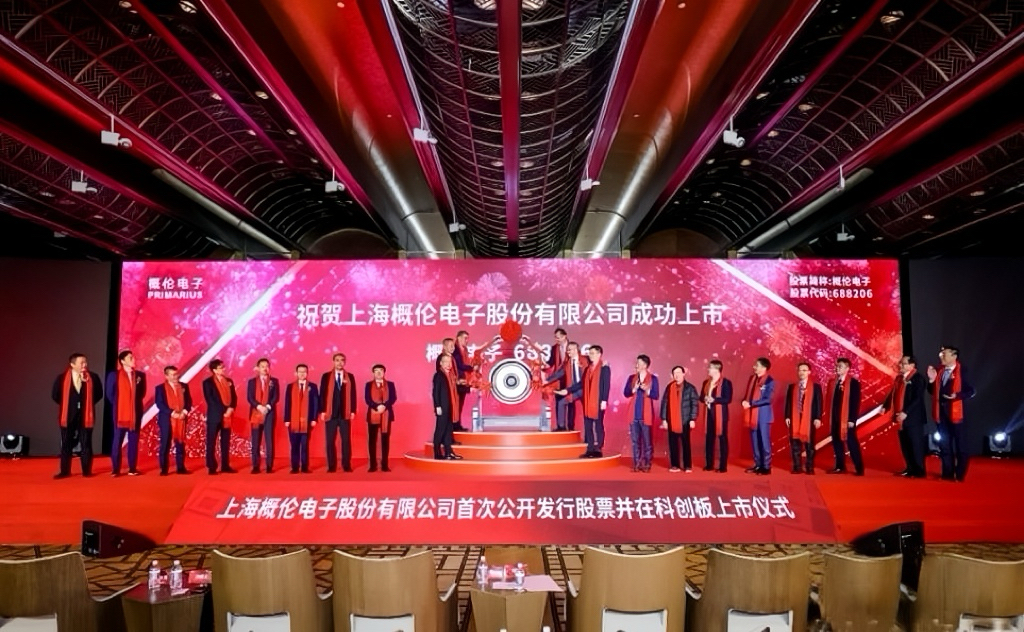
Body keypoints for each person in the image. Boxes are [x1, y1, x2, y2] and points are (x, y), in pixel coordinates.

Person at [927, 346, 975, 482]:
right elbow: (932, 391)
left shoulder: (963, 371)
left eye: (944, 354)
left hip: (958, 415)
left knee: (961, 446)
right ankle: (947, 474)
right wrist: (931, 380)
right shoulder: (939, 371)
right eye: (941, 354)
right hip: (941, 414)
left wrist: (957, 396)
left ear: (954, 356)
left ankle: (959, 475)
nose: (941, 356)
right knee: (945, 446)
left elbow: (971, 390)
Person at [51, 353, 102, 478]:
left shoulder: (93, 377)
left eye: (85, 362)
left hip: (85, 415)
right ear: (72, 364)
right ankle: (64, 471)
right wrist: (69, 405)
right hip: (68, 415)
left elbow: (98, 394)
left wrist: (87, 404)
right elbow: (55, 395)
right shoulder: (62, 378)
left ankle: (86, 471)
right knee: (66, 444)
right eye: (81, 363)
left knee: (86, 443)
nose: (85, 365)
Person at [882, 355, 927, 478]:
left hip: (913, 418)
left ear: (912, 365)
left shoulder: (918, 378)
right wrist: (885, 406)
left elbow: (917, 398)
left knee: (915, 445)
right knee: (905, 444)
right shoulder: (899, 378)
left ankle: (919, 471)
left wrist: (906, 412)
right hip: (900, 416)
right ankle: (910, 468)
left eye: (903, 363)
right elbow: (893, 393)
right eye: (900, 363)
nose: (900, 365)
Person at [563, 345, 611, 458]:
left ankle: (598, 449)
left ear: (599, 354)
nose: (590, 355)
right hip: (588, 401)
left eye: (593, 353)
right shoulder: (587, 369)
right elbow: (581, 384)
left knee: (598, 425)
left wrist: (604, 400)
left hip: (598, 401)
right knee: (587, 425)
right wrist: (568, 390)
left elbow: (606, 385)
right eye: (589, 353)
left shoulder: (604, 368)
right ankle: (590, 449)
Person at [105, 350, 147, 476]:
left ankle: (132, 468)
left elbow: (142, 393)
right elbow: (110, 394)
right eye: (130, 358)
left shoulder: (140, 375)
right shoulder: (114, 375)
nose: (133, 359)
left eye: (133, 357)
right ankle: (115, 469)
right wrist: (121, 404)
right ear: (122, 361)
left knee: (133, 441)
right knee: (117, 440)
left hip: (135, 413)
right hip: (120, 413)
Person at [318, 353, 357, 473]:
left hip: (345, 413)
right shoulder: (326, 376)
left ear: (344, 362)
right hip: (330, 413)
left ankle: (346, 465)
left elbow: (353, 394)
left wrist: (353, 410)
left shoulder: (350, 377)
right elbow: (322, 394)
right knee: (330, 441)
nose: (340, 362)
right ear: (333, 362)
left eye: (342, 360)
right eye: (337, 360)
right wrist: (322, 411)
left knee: (346, 441)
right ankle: (331, 466)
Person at [826, 358, 864, 476]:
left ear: (847, 368)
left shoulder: (853, 383)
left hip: (847, 419)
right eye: (837, 366)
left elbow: (855, 402)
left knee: (851, 442)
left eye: (840, 366)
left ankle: (859, 467)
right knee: (836, 442)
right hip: (835, 417)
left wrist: (852, 419)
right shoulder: (833, 382)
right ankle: (840, 466)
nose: (837, 368)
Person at [784, 362, 823, 474]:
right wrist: (787, 416)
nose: (801, 372)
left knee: (809, 444)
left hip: (809, 418)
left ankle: (809, 467)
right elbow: (788, 403)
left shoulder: (815, 387)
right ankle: (797, 467)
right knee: (795, 443)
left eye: (804, 370)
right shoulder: (792, 387)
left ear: (809, 372)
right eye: (800, 370)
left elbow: (819, 403)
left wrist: (818, 418)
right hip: (795, 417)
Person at [154, 365, 192, 475]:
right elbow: (160, 404)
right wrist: (172, 413)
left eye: (176, 374)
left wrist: (184, 412)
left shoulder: (184, 386)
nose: (175, 377)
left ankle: (181, 467)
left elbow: (188, 401)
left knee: (180, 443)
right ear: (166, 376)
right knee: (165, 443)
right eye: (172, 375)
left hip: (181, 418)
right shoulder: (160, 388)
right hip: (167, 419)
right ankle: (164, 469)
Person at [624, 355, 659, 472]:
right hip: (634, 414)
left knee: (647, 441)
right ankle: (636, 463)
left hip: (646, 415)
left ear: (644, 365)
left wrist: (647, 390)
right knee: (635, 441)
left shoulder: (653, 379)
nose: (636, 365)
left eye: (638, 363)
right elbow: (626, 393)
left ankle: (647, 463)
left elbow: (656, 395)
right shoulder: (632, 378)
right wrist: (634, 389)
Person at [201, 358, 237, 475]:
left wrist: (231, 408)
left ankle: (225, 465)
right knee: (211, 442)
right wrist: (224, 411)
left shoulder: (229, 381)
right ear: (214, 370)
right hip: (215, 416)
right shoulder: (207, 383)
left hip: (227, 415)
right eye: (221, 368)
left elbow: (234, 397)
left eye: (223, 367)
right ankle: (211, 466)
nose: (223, 369)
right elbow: (210, 400)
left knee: (225, 441)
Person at [660, 365, 698, 472]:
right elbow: (664, 403)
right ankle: (674, 465)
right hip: (672, 419)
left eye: (679, 373)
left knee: (686, 444)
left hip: (685, 419)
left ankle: (687, 466)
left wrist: (693, 419)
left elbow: (694, 404)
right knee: (673, 444)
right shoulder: (669, 387)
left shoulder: (690, 388)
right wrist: (664, 419)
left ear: (683, 374)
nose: (677, 375)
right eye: (674, 373)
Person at [741, 357, 775, 475]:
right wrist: (744, 401)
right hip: (752, 414)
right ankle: (757, 464)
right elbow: (748, 394)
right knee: (754, 440)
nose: (754, 367)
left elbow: (768, 399)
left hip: (763, 415)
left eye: (757, 365)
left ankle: (766, 466)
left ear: (764, 368)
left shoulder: (769, 380)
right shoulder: (752, 379)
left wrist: (751, 403)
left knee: (764, 441)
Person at [697, 360, 732, 472]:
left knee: (722, 439)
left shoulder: (726, 383)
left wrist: (714, 400)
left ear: (717, 369)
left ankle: (722, 466)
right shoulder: (706, 382)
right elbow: (701, 397)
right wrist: (705, 398)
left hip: (720, 414)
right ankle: (709, 464)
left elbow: (727, 399)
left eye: (710, 368)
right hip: (708, 413)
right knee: (709, 439)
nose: (708, 369)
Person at [246, 358, 280, 474]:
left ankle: (269, 465)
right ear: (257, 368)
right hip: (256, 412)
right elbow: (250, 397)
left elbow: (276, 396)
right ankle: (256, 466)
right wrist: (259, 406)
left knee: (269, 439)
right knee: (256, 440)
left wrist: (268, 407)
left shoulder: (274, 381)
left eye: (267, 366)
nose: (265, 369)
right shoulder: (252, 382)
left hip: (269, 413)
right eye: (262, 366)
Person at [283, 364, 318, 474]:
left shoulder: (312, 386)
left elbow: (315, 403)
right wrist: (286, 419)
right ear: (296, 373)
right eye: (300, 372)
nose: (302, 374)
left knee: (304, 445)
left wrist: (314, 418)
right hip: (293, 420)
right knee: (294, 445)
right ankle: (294, 467)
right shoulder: (290, 387)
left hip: (307, 420)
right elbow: (287, 403)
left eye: (304, 372)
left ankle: (304, 467)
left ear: (307, 373)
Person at [545, 342, 586, 431]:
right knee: (561, 402)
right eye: (567, 350)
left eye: (570, 350)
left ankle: (588, 432)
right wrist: (547, 381)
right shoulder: (567, 363)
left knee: (588, 410)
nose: (568, 352)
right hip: (573, 389)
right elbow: (558, 374)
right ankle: (561, 427)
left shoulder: (585, 360)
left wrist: (604, 364)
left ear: (575, 350)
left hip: (585, 389)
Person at [364, 364, 397, 472]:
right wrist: (376, 407)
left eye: (381, 370)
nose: (378, 373)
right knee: (372, 441)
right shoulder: (368, 385)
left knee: (385, 441)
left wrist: (384, 406)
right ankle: (373, 465)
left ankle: (384, 465)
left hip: (386, 415)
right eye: (376, 371)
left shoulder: (390, 384)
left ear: (384, 372)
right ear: (373, 373)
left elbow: (393, 398)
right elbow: (367, 399)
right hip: (373, 415)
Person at [432, 354, 461, 460]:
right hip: (442, 407)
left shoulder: (451, 376)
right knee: (440, 429)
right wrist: (437, 406)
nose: (448, 364)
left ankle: (448, 452)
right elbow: (435, 392)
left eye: (450, 362)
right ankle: (437, 452)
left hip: (450, 407)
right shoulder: (439, 375)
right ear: (441, 363)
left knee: (448, 430)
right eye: (446, 362)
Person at [451, 330, 474, 432]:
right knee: (456, 405)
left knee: (460, 405)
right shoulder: (455, 350)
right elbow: (459, 365)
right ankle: (454, 425)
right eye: (465, 338)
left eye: (467, 338)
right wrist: (471, 368)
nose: (467, 340)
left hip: (464, 381)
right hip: (457, 381)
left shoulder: (464, 350)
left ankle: (457, 425)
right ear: (459, 338)